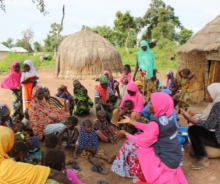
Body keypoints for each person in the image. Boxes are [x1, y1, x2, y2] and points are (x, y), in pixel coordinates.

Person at [111, 92, 188, 184]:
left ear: (159, 106)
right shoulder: (168, 117)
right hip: (174, 157)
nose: (148, 106)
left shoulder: (156, 123)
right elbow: (151, 128)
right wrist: (132, 122)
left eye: (151, 104)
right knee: (136, 138)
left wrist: (126, 134)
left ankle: (140, 173)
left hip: (165, 160)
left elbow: (143, 141)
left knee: (132, 145)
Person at [0, 126, 73, 184]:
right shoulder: (8, 166)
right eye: (10, 141)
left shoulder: (6, 162)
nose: (12, 144)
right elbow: (52, 173)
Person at [181, 83, 220, 170]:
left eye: (208, 94)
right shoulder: (215, 103)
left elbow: (209, 125)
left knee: (193, 130)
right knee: (196, 125)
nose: (206, 95)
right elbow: (208, 117)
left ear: (215, 94)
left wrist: (190, 119)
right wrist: (193, 116)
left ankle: (203, 159)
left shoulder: (218, 106)